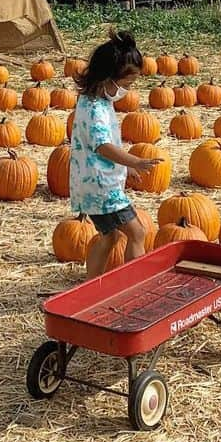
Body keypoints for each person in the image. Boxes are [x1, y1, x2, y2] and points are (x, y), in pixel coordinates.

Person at [70, 29, 157, 280]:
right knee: (137, 233)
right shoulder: (94, 109)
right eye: (126, 85)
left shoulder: (95, 101)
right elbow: (102, 146)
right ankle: (135, 285)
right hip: (101, 186)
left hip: (93, 183)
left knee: (109, 236)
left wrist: (124, 168)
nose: (126, 91)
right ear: (107, 77)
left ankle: (90, 285)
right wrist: (135, 162)